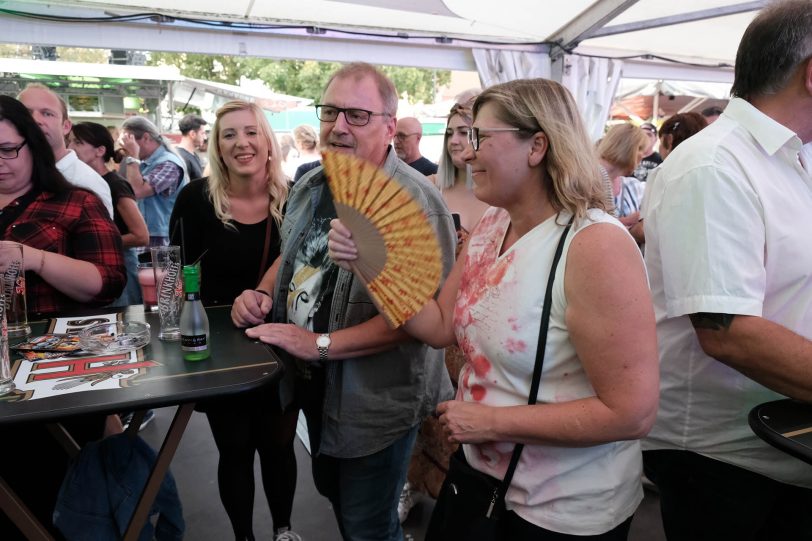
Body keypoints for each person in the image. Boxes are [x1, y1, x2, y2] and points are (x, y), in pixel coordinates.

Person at [329, 77, 659, 540]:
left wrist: (491, 421)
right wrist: (366, 261)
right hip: (480, 483)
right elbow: (441, 325)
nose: (465, 153)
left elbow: (632, 412)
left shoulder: (595, 245)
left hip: (563, 511)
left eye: (480, 137)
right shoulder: (492, 225)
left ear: (537, 146)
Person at [231, 62, 456, 541]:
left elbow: (419, 322)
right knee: (338, 499)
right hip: (315, 392)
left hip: (374, 399)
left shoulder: (413, 202)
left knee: (367, 526)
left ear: (389, 126)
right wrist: (263, 293)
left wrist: (320, 344)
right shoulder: (312, 185)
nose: (337, 127)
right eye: (330, 111)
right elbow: (292, 257)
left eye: (356, 115)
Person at [643, 0, 812, 538]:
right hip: (727, 462)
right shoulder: (714, 164)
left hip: (782, 446)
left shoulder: (790, 160)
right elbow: (728, 334)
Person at [169, 100, 300, 541]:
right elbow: (176, 275)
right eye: (229, 135)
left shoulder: (295, 198)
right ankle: (244, 537)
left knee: (280, 448)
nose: (241, 143)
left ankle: (283, 531)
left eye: (251, 132)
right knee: (235, 449)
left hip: (284, 347)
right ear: (217, 147)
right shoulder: (195, 200)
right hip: (220, 351)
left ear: (267, 141)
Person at [0, 95, 126, 539]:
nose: (0, 162)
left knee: (57, 502)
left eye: (7, 149)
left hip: (57, 381)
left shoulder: (76, 201)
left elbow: (109, 281)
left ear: (32, 145)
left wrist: (32, 258)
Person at [398, 93, 487, 523]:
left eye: (465, 130)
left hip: (480, 324)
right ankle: (413, 486)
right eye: (450, 131)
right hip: (431, 315)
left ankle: (463, 495)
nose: (455, 140)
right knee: (427, 413)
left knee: (466, 414)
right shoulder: (429, 187)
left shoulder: (500, 197)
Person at [68, 121, 149, 307]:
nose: (70, 148)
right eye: (69, 141)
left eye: (78, 142)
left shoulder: (114, 184)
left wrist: (94, 243)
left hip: (121, 267)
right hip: (94, 271)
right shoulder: (82, 182)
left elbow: (141, 235)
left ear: (100, 150)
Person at [17, 83, 114, 218]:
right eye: (26, 113)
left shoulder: (88, 183)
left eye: (47, 113)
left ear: (66, 126)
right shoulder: (9, 174)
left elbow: (100, 238)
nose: (35, 120)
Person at [628, 112, 708, 246]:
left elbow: (646, 231)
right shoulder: (709, 171)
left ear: (669, 140)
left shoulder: (663, 173)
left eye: (660, 141)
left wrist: (629, 230)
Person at [119, 115, 187, 247]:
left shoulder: (169, 164)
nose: (126, 146)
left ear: (145, 137)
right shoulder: (143, 162)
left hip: (160, 240)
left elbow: (136, 191)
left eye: (129, 140)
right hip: (144, 235)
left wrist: (132, 156)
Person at [597, 123, 647, 227]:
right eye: (640, 148)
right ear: (629, 148)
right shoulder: (584, 179)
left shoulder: (632, 185)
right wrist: (626, 221)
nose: (643, 155)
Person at [176, 113, 208, 180]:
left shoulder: (192, 154)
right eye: (202, 133)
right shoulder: (182, 159)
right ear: (192, 134)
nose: (205, 137)